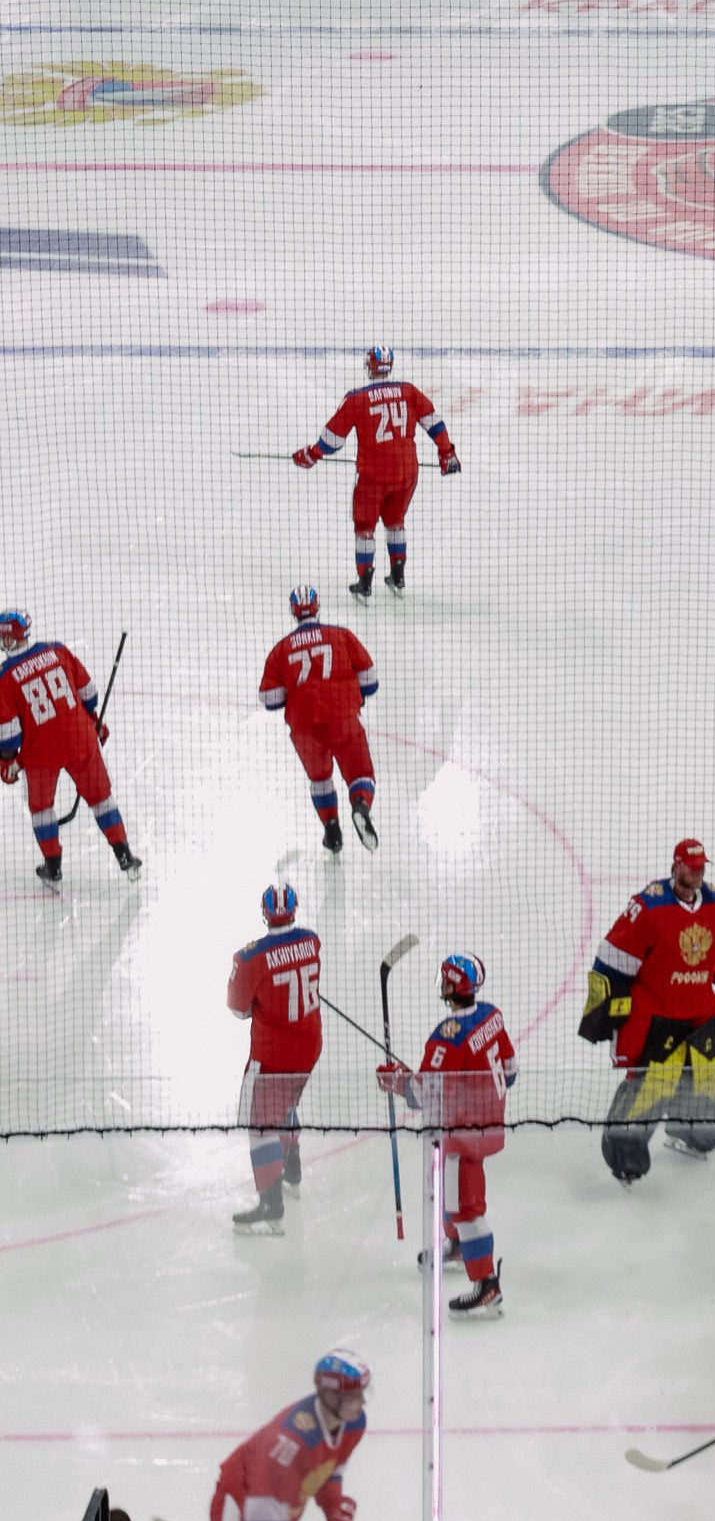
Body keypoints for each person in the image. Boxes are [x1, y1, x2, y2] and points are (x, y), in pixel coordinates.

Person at [584, 836, 715, 1181]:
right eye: (691, 867)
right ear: (676, 866)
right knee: (650, 1088)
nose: (697, 874)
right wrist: (605, 1006)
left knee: (711, 1076)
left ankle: (691, 1132)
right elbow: (610, 961)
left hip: (701, 1014)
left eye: (701, 868)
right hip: (657, 1017)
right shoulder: (648, 908)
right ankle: (625, 1155)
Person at [377, 952, 517, 1320]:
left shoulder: (446, 1038)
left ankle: (487, 1285)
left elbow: (423, 1095)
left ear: (452, 987)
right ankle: (457, 1246)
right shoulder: (492, 1016)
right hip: (489, 1125)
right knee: (444, 1189)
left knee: (465, 1208)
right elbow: (511, 1069)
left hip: (460, 1134)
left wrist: (394, 1081)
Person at [290, 344, 459, 602]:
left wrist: (311, 454)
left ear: (370, 366)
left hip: (373, 477)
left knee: (365, 527)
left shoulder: (358, 398)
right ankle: (398, 576)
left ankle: (364, 581)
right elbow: (434, 424)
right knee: (395, 523)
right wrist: (447, 453)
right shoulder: (409, 391)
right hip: (407, 473)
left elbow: (333, 439)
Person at [0, 607, 141, 887]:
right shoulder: (57, 650)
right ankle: (124, 855)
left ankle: (53, 867)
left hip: (40, 752)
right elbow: (89, 693)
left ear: (10, 637)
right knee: (101, 799)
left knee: (41, 809)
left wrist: (9, 762)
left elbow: (9, 736)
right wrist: (92, 721)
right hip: (80, 739)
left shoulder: (4, 678)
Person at [228, 879, 324, 1234]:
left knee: (260, 1123)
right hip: (309, 1047)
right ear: (294, 910)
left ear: (264, 914)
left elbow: (239, 1011)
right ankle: (292, 1167)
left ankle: (271, 1204)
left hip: (272, 1056)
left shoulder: (249, 957)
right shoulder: (311, 941)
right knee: (283, 1103)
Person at [260, 585, 379, 855]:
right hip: (343, 719)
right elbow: (371, 681)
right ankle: (360, 804)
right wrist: (353, 694)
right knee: (360, 774)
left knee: (320, 779)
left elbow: (269, 699)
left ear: (293, 611)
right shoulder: (341, 635)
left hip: (304, 728)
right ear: (317, 607)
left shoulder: (280, 650)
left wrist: (295, 692)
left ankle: (332, 830)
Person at [209, 1348, 369, 1521]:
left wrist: (333, 1508)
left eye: (362, 1393)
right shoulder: (292, 1440)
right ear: (330, 1394)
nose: (362, 1402)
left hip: (277, 1509)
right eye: (352, 1396)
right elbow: (262, 1520)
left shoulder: (353, 1424)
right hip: (242, 1507)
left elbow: (329, 1471)